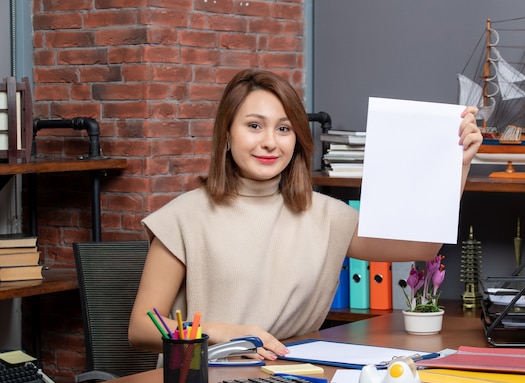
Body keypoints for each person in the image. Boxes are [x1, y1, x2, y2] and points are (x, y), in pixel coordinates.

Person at [128, 69, 483, 360]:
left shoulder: (325, 215)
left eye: (283, 129)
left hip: (287, 381)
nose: (270, 142)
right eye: (254, 126)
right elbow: (143, 327)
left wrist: (457, 166)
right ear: (226, 134)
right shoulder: (183, 217)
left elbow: (420, 247)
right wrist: (225, 334)